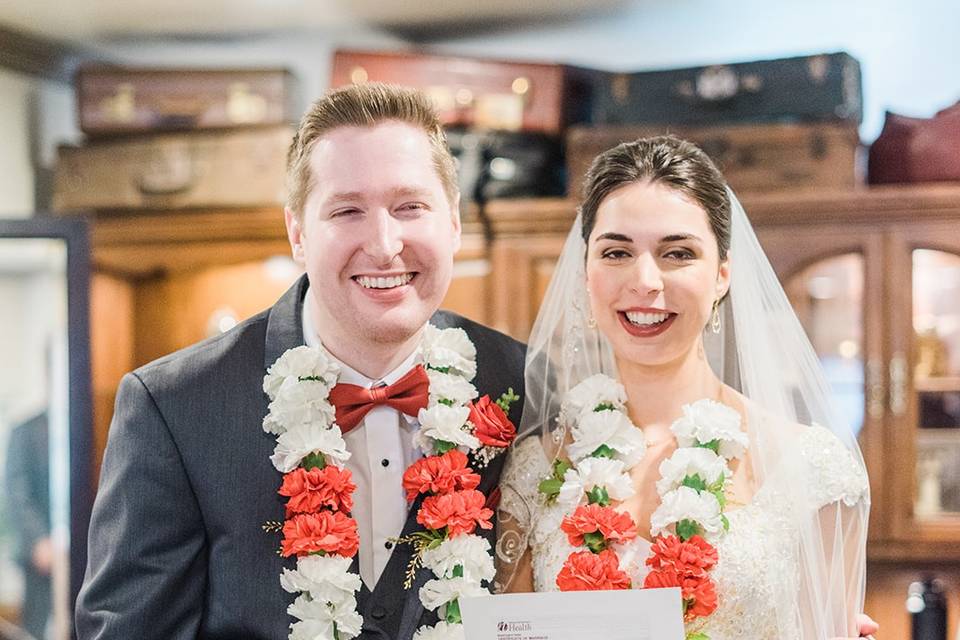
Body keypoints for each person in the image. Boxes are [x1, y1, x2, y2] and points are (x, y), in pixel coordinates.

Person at [76, 83, 525, 640]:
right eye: (347, 210)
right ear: (297, 232)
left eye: (410, 206)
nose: (385, 244)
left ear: (452, 222)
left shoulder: (522, 385)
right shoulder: (173, 406)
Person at [496, 136, 877, 640]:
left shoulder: (811, 470)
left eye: (677, 253)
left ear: (722, 274)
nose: (646, 281)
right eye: (616, 252)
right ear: (585, 273)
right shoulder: (535, 470)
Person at [5, 411, 52, 639]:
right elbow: (17, 490)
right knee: (36, 628)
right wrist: (38, 539)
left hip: (75, 556)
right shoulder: (26, 429)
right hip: (38, 556)